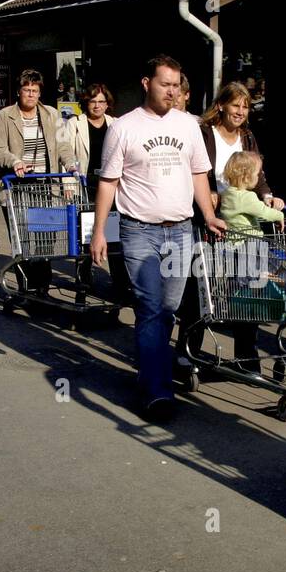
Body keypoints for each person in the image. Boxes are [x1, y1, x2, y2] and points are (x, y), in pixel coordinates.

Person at [89, 55, 226, 422]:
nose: (172, 91)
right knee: (150, 308)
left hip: (180, 230)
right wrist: (99, 231)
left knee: (167, 310)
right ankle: (157, 391)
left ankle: (151, 370)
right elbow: (108, 182)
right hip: (138, 230)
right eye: (165, 84)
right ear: (146, 83)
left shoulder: (189, 125)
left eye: (177, 85)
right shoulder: (124, 128)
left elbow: (199, 173)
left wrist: (209, 215)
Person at [179, 81, 284, 365]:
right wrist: (207, 195)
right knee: (201, 287)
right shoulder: (204, 133)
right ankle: (187, 350)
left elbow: (258, 174)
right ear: (222, 105)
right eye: (235, 104)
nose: (240, 111)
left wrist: (268, 197)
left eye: (245, 106)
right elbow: (193, 169)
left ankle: (245, 356)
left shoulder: (247, 136)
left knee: (247, 287)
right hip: (208, 220)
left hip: (241, 224)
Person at [0, 70, 61, 294]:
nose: (31, 95)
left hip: (44, 184)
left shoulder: (50, 114)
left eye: (35, 91)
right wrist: (15, 161)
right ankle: (26, 287)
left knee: (46, 237)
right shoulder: (5, 115)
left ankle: (42, 287)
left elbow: (63, 145)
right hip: (16, 185)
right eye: (27, 90)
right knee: (22, 238)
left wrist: (70, 164)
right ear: (19, 91)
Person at [58, 83, 127, 303]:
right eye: (92, 101)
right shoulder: (74, 124)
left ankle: (120, 280)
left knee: (114, 231)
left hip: (111, 185)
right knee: (86, 232)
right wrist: (68, 184)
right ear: (85, 103)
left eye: (101, 101)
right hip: (85, 184)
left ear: (108, 104)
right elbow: (65, 153)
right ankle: (84, 277)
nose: (97, 106)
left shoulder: (116, 124)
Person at [219, 150, 283, 236]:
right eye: (257, 174)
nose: (258, 177)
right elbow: (263, 212)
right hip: (250, 242)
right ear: (247, 177)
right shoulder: (247, 197)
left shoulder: (226, 194)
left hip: (233, 240)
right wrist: (279, 216)